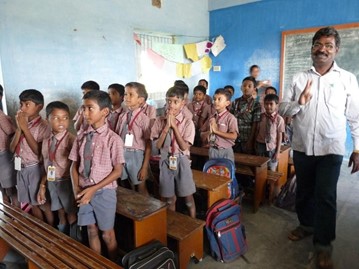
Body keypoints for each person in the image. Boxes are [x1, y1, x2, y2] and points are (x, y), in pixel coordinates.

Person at [279, 26, 359, 269]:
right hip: (302, 147)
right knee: (304, 191)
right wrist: (299, 103)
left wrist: (357, 148)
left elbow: (355, 117)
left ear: (336, 50)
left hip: (331, 149)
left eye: (328, 46)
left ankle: (323, 245)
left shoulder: (346, 79)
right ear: (312, 47)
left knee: (325, 195)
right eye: (318, 44)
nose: (322, 49)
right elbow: (283, 109)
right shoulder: (298, 78)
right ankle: (306, 225)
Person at [69, 90, 124, 261]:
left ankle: (112, 263)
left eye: (89, 108)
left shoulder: (113, 140)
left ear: (105, 112)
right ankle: (97, 264)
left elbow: (118, 171)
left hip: (104, 192)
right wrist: (76, 188)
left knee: (107, 234)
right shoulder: (81, 137)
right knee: (91, 230)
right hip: (83, 191)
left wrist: (93, 189)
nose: (84, 113)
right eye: (83, 108)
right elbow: (73, 165)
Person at [151, 86, 196, 218]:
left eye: (175, 102)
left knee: (188, 198)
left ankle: (193, 224)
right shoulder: (160, 121)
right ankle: (172, 225)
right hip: (165, 160)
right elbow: (158, 145)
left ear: (183, 103)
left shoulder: (188, 122)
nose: (171, 105)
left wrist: (175, 127)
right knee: (169, 199)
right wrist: (166, 127)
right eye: (168, 101)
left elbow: (184, 147)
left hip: (181, 159)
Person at [9, 89, 52, 222]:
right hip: (21, 167)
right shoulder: (22, 123)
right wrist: (20, 129)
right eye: (21, 104)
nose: (22, 108)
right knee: (33, 203)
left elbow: (39, 153)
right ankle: (38, 228)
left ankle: (50, 228)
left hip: (35, 169)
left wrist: (25, 129)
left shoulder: (44, 126)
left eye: (27, 104)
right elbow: (11, 148)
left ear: (39, 107)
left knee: (42, 202)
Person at [37, 101, 79, 238]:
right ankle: (62, 238)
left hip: (67, 182)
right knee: (59, 210)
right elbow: (47, 164)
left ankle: (75, 241)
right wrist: (43, 185)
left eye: (65, 117)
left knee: (71, 212)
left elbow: (77, 167)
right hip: (52, 180)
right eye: (56, 118)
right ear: (47, 119)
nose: (61, 121)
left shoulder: (72, 140)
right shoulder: (46, 140)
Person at [117, 82, 151, 195]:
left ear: (141, 100)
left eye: (131, 94)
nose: (126, 97)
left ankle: (146, 210)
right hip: (123, 153)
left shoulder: (143, 119)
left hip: (137, 155)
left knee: (140, 186)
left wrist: (144, 167)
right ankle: (134, 210)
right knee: (130, 185)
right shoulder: (123, 116)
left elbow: (148, 144)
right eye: (125, 94)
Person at [201, 88, 238, 164]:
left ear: (227, 103)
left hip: (225, 150)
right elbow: (202, 131)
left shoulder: (230, 118)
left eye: (219, 99)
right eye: (214, 99)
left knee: (226, 173)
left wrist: (216, 132)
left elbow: (234, 136)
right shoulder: (212, 117)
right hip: (213, 149)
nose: (215, 101)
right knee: (213, 172)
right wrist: (207, 134)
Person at [230, 76, 261, 154]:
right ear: (241, 87)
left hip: (247, 139)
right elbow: (230, 119)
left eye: (249, 86)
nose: (246, 88)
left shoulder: (256, 104)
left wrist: (250, 141)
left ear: (254, 89)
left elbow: (255, 124)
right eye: (244, 85)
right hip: (234, 139)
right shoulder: (235, 102)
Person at [0, 84, 19, 206]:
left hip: (4, 155)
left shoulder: (1, 116)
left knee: (10, 189)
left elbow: (12, 132)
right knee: (3, 189)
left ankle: (17, 216)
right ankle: (9, 216)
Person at [255, 94, 285, 171]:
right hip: (260, 145)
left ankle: (270, 183)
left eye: (271, 104)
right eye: (266, 104)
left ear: (276, 105)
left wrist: (277, 152)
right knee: (260, 168)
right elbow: (256, 131)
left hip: (272, 147)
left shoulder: (279, 119)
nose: (268, 106)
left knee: (271, 168)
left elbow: (279, 136)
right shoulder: (261, 117)